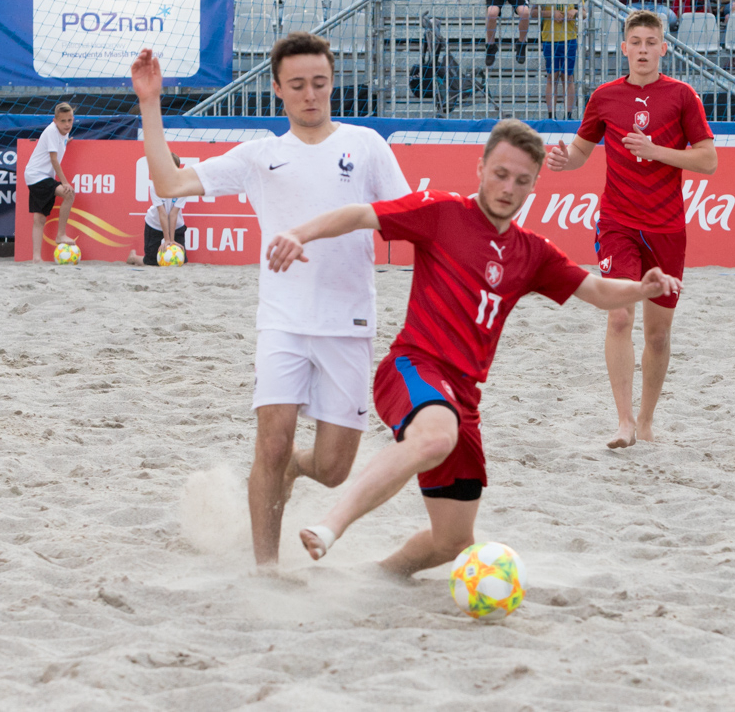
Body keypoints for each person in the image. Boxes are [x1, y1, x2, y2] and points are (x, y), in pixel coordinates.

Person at [279, 118, 680, 567]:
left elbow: (598, 291)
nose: (509, 187)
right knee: (434, 437)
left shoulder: (533, 252)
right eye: (501, 174)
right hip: (414, 368)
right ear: (481, 167)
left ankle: (376, 575)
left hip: (464, 399)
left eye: (522, 180)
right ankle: (331, 525)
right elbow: (360, 214)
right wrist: (299, 233)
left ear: (533, 186)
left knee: (451, 542)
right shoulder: (443, 211)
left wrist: (640, 289)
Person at [133, 34, 410, 566]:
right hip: (282, 323)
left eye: (320, 84)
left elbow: (409, 215)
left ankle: (293, 471)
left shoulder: (366, 145)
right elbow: (168, 181)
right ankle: (265, 571)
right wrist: (150, 103)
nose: (311, 95)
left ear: (333, 84)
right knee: (272, 443)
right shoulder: (260, 156)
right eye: (299, 85)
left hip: (348, 324)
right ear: (279, 91)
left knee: (332, 469)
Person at [546, 10, 714, 447]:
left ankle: (645, 421)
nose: (642, 49)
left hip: (667, 227)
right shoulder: (604, 97)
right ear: (623, 48)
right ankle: (622, 422)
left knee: (658, 335)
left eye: (650, 42)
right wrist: (567, 161)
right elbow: (583, 151)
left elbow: (708, 161)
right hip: (617, 221)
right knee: (619, 315)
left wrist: (657, 151)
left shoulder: (682, 96)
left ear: (663, 48)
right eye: (635, 42)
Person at [24, 101, 76, 263]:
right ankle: (60, 234)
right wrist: (65, 182)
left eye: (70, 120)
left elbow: (61, 144)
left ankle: (36, 258)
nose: (67, 124)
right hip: (38, 175)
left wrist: (67, 141)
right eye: (63, 121)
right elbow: (54, 160)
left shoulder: (63, 132)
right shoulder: (52, 131)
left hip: (36, 176)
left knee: (39, 218)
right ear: (55, 121)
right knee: (69, 194)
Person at [532, 0, 581, 117]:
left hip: (570, 39)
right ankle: (551, 114)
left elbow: (584, 12)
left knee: (568, 78)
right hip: (550, 39)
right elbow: (534, 12)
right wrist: (551, 13)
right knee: (552, 77)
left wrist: (575, 11)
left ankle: (568, 114)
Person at [127, 153, 189, 267]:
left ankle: (170, 242)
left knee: (180, 261)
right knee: (152, 262)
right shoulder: (155, 186)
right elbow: (163, 213)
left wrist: (172, 241)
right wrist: (167, 240)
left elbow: (174, 214)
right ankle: (133, 257)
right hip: (155, 224)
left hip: (176, 225)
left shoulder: (183, 187)